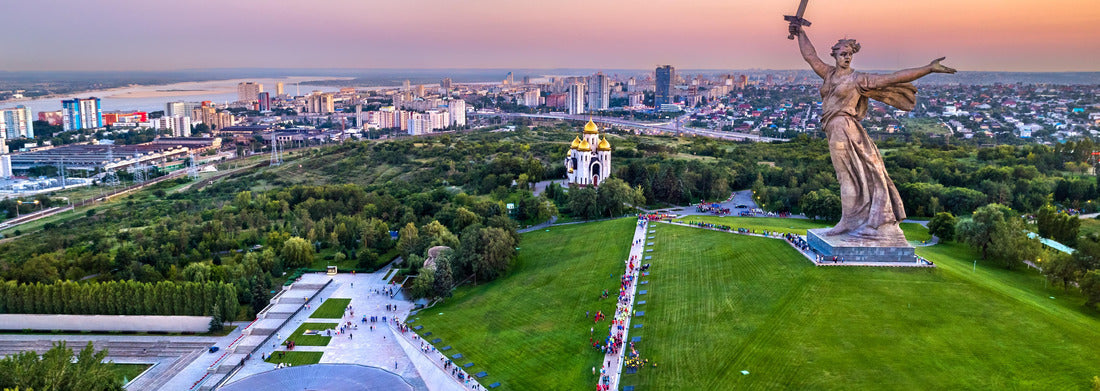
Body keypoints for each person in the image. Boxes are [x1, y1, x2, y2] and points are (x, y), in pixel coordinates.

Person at [789, 19, 954, 240]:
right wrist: (800, 32)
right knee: (849, 176)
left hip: (844, 129)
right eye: (843, 54)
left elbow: (894, 78)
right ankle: (852, 220)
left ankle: (847, 222)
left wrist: (928, 68)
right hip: (834, 128)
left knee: (846, 177)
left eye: (849, 54)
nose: (846, 57)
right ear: (835, 55)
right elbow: (810, 56)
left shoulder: (859, 79)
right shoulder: (828, 74)